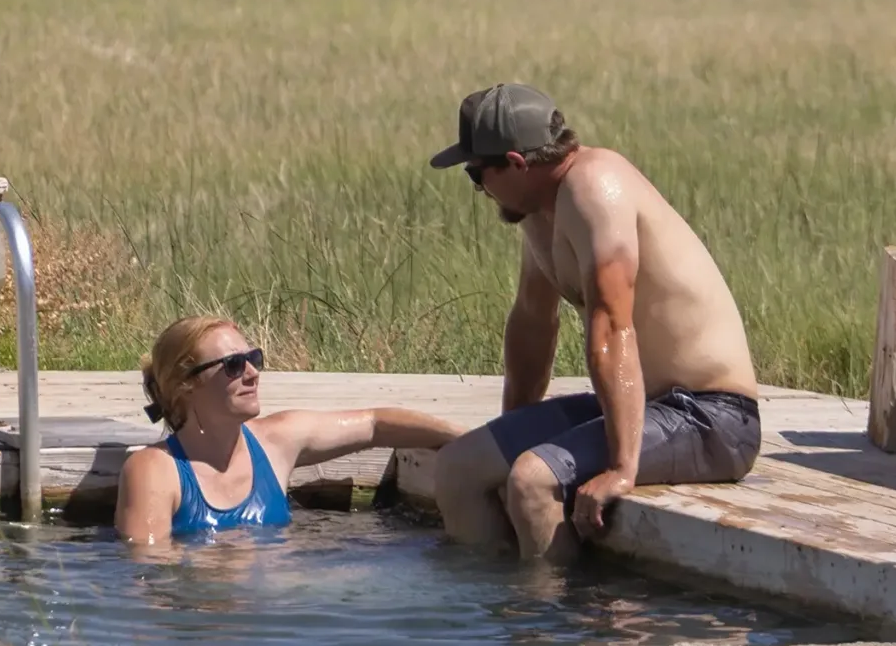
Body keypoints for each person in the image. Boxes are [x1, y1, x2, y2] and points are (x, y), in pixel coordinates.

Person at [427, 83, 762, 561]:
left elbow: (611, 325)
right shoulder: (539, 213)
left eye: (476, 174)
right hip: (643, 406)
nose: (479, 189)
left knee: (532, 482)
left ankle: (549, 627)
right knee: (459, 469)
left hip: (712, 417)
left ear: (517, 164)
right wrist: (515, 425)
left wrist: (622, 470)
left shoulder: (596, 189)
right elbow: (532, 324)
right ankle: (493, 618)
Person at [115, 315, 466, 546]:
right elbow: (151, 574)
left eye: (254, 358)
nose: (252, 373)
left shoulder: (276, 442)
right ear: (185, 385)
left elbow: (375, 424)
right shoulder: (156, 471)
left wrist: (466, 439)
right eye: (234, 365)